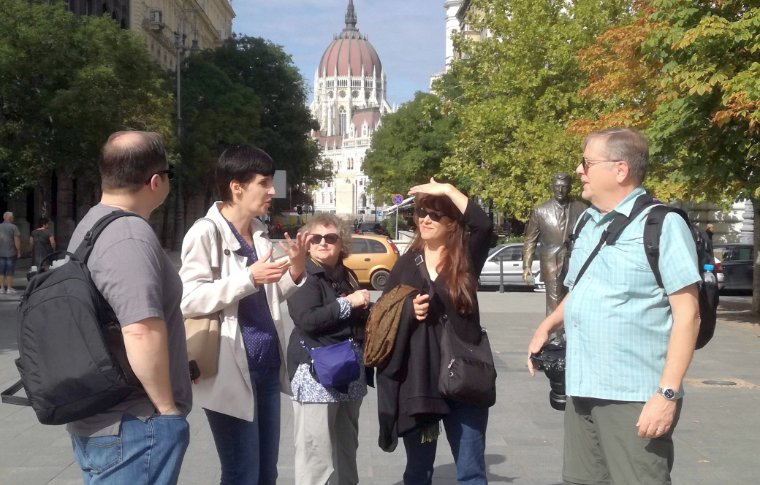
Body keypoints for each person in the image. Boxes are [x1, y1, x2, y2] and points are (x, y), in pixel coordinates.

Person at [527, 128, 701, 484]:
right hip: (582, 385)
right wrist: (549, 325)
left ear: (620, 170)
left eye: (587, 162)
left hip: (634, 396)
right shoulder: (588, 222)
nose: (579, 171)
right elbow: (580, 289)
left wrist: (666, 394)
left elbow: (689, 315)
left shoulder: (662, 224)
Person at [179, 145, 310, 485]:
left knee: (267, 473)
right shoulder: (205, 232)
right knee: (242, 473)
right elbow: (188, 299)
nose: (272, 191)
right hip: (229, 370)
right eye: (264, 183)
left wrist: (294, 272)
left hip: (266, 368)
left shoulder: (260, 234)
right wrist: (249, 278)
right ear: (236, 187)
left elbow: (266, 297)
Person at [66, 131, 192, 484]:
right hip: (135, 424)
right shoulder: (129, 236)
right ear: (156, 180)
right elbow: (139, 329)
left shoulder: (91, 225)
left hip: (107, 419)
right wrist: (167, 412)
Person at [377, 178, 493, 485]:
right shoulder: (406, 264)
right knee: (418, 471)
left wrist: (447, 191)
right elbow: (381, 313)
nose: (425, 219)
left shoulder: (465, 258)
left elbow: (483, 225)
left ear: (452, 222)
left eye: (435, 214)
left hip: (464, 378)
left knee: (470, 471)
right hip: (420, 381)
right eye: (421, 214)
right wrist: (407, 311)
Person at [286, 213, 371, 485]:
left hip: (350, 375)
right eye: (316, 238)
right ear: (307, 244)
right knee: (316, 458)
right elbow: (307, 319)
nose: (323, 243)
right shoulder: (304, 275)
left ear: (341, 243)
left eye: (331, 237)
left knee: (346, 451)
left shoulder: (347, 275)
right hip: (316, 377)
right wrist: (350, 304)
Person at [523, 173, 587, 315]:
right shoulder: (540, 211)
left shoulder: (582, 209)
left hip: (575, 261)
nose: (560, 190)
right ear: (552, 187)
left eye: (564, 187)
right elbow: (530, 240)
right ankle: (555, 336)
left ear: (569, 188)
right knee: (554, 300)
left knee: (575, 299)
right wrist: (527, 265)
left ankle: (569, 334)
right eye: (557, 186)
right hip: (551, 262)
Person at [0, 211, 21, 294]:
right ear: (10, 218)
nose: (13, 218)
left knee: (1, 271)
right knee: (10, 271)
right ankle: (9, 288)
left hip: (0, 253)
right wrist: (18, 251)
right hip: (11, 252)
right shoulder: (14, 227)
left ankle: (1, 288)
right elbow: (17, 240)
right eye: (12, 217)